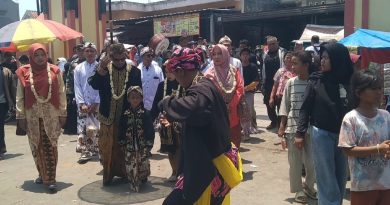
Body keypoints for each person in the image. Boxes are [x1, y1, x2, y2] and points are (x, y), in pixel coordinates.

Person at [160, 47, 242, 205]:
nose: (175, 79)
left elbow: (193, 107)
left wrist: (166, 104)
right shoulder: (206, 84)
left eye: (175, 74)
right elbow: (200, 117)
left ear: (180, 71)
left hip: (209, 169)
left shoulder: (201, 89)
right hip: (209, 162)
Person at [296, 43, 354, 205]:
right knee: (325, 174)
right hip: (321, 133)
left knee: (341, 175)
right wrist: (300, 133)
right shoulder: (316, 80)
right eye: (322, 57)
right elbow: (305, 108)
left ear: (338, 59)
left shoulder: (350, 81)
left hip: (345, 134)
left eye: (327, 58)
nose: (322, 61)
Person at [15, 43, 67, 192]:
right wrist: (20, 116)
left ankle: (50, 179)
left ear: (46, 55)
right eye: (36, 55)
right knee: (35, 146)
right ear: (31, 57)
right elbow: (19, 96)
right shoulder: (23, 72)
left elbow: (61, 93)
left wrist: (63, 113)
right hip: (32, 116)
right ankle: (41, 173)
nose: (39, 58)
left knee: (50, 146)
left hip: (51, 116)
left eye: (42, 54)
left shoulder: (55, 71)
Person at [88, 43, 142, 186]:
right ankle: (108, 175)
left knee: (124, 147)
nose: (119, 63)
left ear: (125, 56)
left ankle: (125, 174)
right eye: (115, 60)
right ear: (110, 58)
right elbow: (93, 84)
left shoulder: (135, 72)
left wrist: (138, 115)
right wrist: (101, 68)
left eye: (121, 59)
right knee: (107, 148)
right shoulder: (104, 69)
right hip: (107, 117)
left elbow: (138, 95)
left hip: (125, 116)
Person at [338, 70, 390, 205]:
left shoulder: (386, 117)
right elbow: (347, 149)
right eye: (373, 88)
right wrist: (378, 149)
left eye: (379, 88)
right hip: (363, 186)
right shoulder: (351, 119)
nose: (378, 92)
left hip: (386, 183)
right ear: (359, 92)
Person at [279, 51, 316, 203]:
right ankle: (298, 190)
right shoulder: (291, 83)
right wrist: (282, 127)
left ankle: (309, 186)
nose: (292, 66)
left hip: (312, 129)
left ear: (306, 65)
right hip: (293, 129)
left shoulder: (314, 83)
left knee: (311, 161)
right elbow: (285, 106)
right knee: (294, 162)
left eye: (295, 63)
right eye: (291, 63)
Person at [205, 44, 247, 149]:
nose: (216, 57)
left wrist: (231, 104)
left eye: (220, 54)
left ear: (226, 54)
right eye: (214, 54)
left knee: (234, 142)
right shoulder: (209, 74)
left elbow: (240, 88)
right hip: (217, 113)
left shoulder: (233, 70)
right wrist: (221, 105)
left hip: (233, 113)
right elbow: (207, 92)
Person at [151, 60, 186, 182]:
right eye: (166, 71)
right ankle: (174, 172)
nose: (168, 74)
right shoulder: (162, 85)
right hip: (165, 123)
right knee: (170, 149)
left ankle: (182, 172)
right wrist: (150, 119)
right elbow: (156, 103)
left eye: (171, 71)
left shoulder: (182, 84)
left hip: (180, 123)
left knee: (181, 148)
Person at [118, 86, 154, 192]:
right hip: (129, 146)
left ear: (141, 98)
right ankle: (133, 181)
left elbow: (149, 129)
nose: (135, 100)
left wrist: (149, 143)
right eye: (132, 97)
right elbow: (121, 128)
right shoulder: (125, 114)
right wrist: (121, 141)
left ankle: (142, 177)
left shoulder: (145, 114)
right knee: (130, 163)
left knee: (142, 162)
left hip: (142, 145)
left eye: (137, 97)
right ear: (128, 99)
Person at [74, 42, 100, 164]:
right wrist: (81, 103)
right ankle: (85, 152)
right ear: (84, 53)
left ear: (96, 53)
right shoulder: (78, 68)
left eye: (92, 51)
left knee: (98, 128)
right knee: (83, 128)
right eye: (87, 51)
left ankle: (98, 150)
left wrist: (96, 102)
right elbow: (77, 87)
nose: (89, 53)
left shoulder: (101, 67)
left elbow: (103, 87)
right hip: (83, 104)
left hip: (97, 104)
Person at [262, 36, 286, 130]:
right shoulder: (264, 54)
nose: (272, 46)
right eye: (269, 44)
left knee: (281, 104)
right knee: (269, 105)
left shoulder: (283, 52)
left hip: (280, 83)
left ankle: (281, 124)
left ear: (277, 43)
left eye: (273, 43)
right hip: (268, 83)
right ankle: (273, 121)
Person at [63, 44, 85, 135]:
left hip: (87, 90)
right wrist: (68, 92)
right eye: (78, 50)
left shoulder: (91, 62)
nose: (80, 52)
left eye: (82, 50)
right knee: (74, 110)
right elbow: (69, 78)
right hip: (75, 91)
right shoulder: (73, 64)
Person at [269, 52, 296, 120]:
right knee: (281, 115)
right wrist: (271, 98)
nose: (289, 59)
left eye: (291, 57)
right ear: (284, 59)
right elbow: (275, 86)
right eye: (287, 57)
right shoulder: (280, 71)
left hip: (292, 97)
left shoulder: (296, 71)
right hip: (280, 97)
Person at [240, 48, 260, 139]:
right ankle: (242, 129)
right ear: (240, 56)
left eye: (246, 54)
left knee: (249, 111)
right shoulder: (238, 66)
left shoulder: (253, 67)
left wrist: (245, 89)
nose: (245, 56)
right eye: (243, 54)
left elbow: (256, 81)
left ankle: (247, 131)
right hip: (238, 92)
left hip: (249, 92)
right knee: (240, 111)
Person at [137, 47, 164, 111]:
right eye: (148, 56)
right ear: (142, 57)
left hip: (155, 104)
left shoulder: (158, 70)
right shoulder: (137, 70)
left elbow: (162, 86)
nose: (150, 58)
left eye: (152, 56)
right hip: (141, 104)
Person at [0, 64, 15, 159]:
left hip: (2, 103)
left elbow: (13, 88)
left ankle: (1, 149)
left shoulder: (6, 71)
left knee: (0, 126)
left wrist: (14, 103)